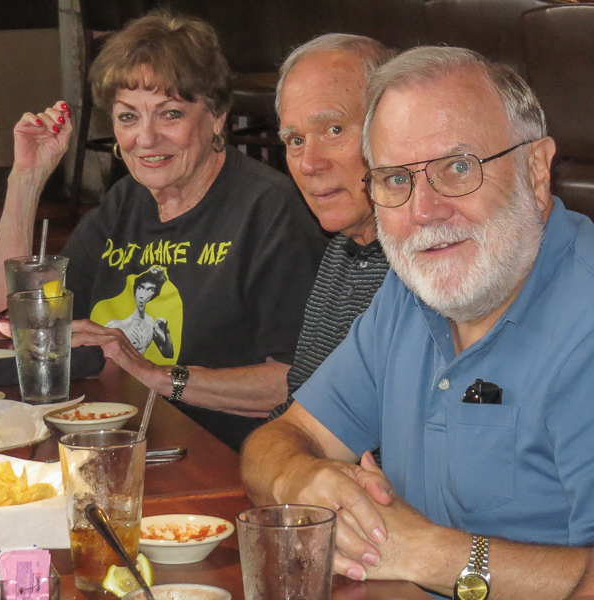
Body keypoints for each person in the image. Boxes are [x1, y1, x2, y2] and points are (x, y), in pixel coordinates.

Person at [242, 46, 594, 600]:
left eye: (457, 168)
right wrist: (305, 480)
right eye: (395, 180)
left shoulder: (584, 322)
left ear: (536, 170)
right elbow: (283, 436)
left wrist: (431, 553)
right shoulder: (411, 295)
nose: (424, 211)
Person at [0, 11, 326, 451]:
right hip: (117, 441)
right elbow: (6, 327)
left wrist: (155, 376)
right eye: (128, 118)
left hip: (217, 457)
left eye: (170, 114)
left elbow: (296, 383)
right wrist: (25, 181)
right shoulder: (125, 204)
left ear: (218, 116)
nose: (145, 138)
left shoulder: (269, 212)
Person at [269, 34, 393, 418]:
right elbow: (298, 410)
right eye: (294, 140)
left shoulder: (424, 268)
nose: (309, 163)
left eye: (333, 130)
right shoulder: (344, 249)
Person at [104, 266, 173, 358]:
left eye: (150, 290)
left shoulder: (150, 323)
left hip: (142, 371)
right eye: (141, 288)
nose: (142, 295)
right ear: (135, 289)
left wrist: (167, 332)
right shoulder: (114, 326)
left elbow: (168, 354)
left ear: (154, 294)